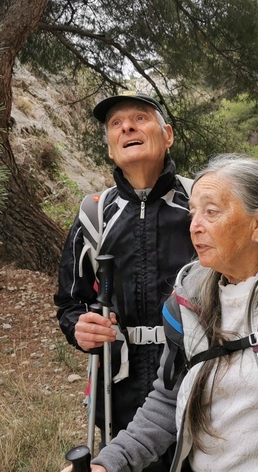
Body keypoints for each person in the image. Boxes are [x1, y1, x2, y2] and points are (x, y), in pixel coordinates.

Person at [64, 155, 258, 472]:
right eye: (193, 212)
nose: (195, 226)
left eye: (212, 212)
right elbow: (167, 403)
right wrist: (107, 464)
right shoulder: (185, 303)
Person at [55, 91, 194, 469]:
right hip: (121, 390)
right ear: (110, 149)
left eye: (139, 118)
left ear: (167, 135)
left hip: (197, 377)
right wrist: (79, 327)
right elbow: (71, 302)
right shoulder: (94, 215)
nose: (127, 127)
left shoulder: (201, 205)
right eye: (116, 124)